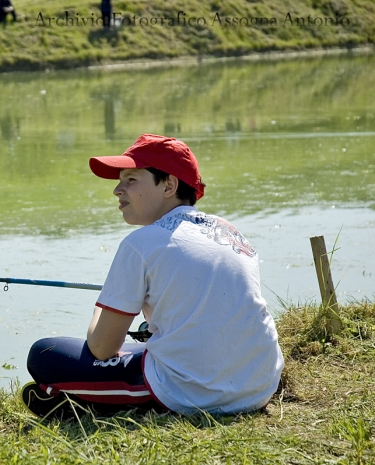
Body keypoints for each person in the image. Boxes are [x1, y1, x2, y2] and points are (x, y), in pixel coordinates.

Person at [23, 134, 284, 418]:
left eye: (131, 180)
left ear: (169, 185)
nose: (117, 190)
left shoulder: (141, 243)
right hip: (259, 385)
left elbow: (101, 347)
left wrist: (104, 307)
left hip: (192, 393)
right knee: (142, 344)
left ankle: (90, 404)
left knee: (45, 353)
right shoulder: (229, 231)